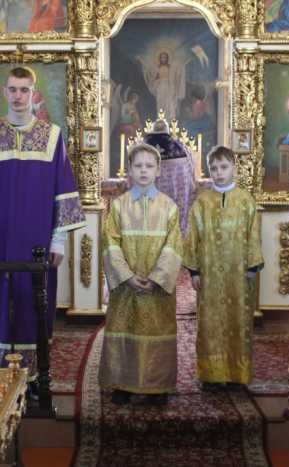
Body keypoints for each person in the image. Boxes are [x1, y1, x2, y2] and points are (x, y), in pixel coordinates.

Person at [0, 67, 85, 398]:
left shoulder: (52, 136)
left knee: (33, 303)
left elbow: (63, 190)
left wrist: (59, 239)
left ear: (33, 93)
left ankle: (33, 376)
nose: (18, 96)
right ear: (5, 92)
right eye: (13, 90)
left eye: (24, 90)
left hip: (38, 240)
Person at [99, 143, 182, 406]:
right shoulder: (118, 206)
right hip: (127, 286)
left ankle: (157, 387)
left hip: (157, 288)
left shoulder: (169, 207)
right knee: (125, 329)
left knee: (156, 331)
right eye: (138, 166)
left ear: (158, 170)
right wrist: (126, 276)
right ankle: (122, 383)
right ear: (130, 170)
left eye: (149, 166)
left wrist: (157, 278)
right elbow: (110, 244)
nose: (143, 171)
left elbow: (174, 246)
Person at [184, 145, 263, 390]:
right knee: (210, 322)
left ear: (233, 168)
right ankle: (211, 375)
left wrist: (252, 267)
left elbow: (254, 235)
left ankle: (237, 374)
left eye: (224, 167)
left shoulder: (245, 201)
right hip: (209, 274)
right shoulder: (202, 202)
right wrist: (194, 271)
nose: (219, 173)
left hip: (239, 274)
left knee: (239, 321)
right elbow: (193, 237)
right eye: (214, 168)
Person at [143, 119, 197, 234]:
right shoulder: (181, 148)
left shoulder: (140, 149)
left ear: (152, 130)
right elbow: (190, 178)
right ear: (167, 130)